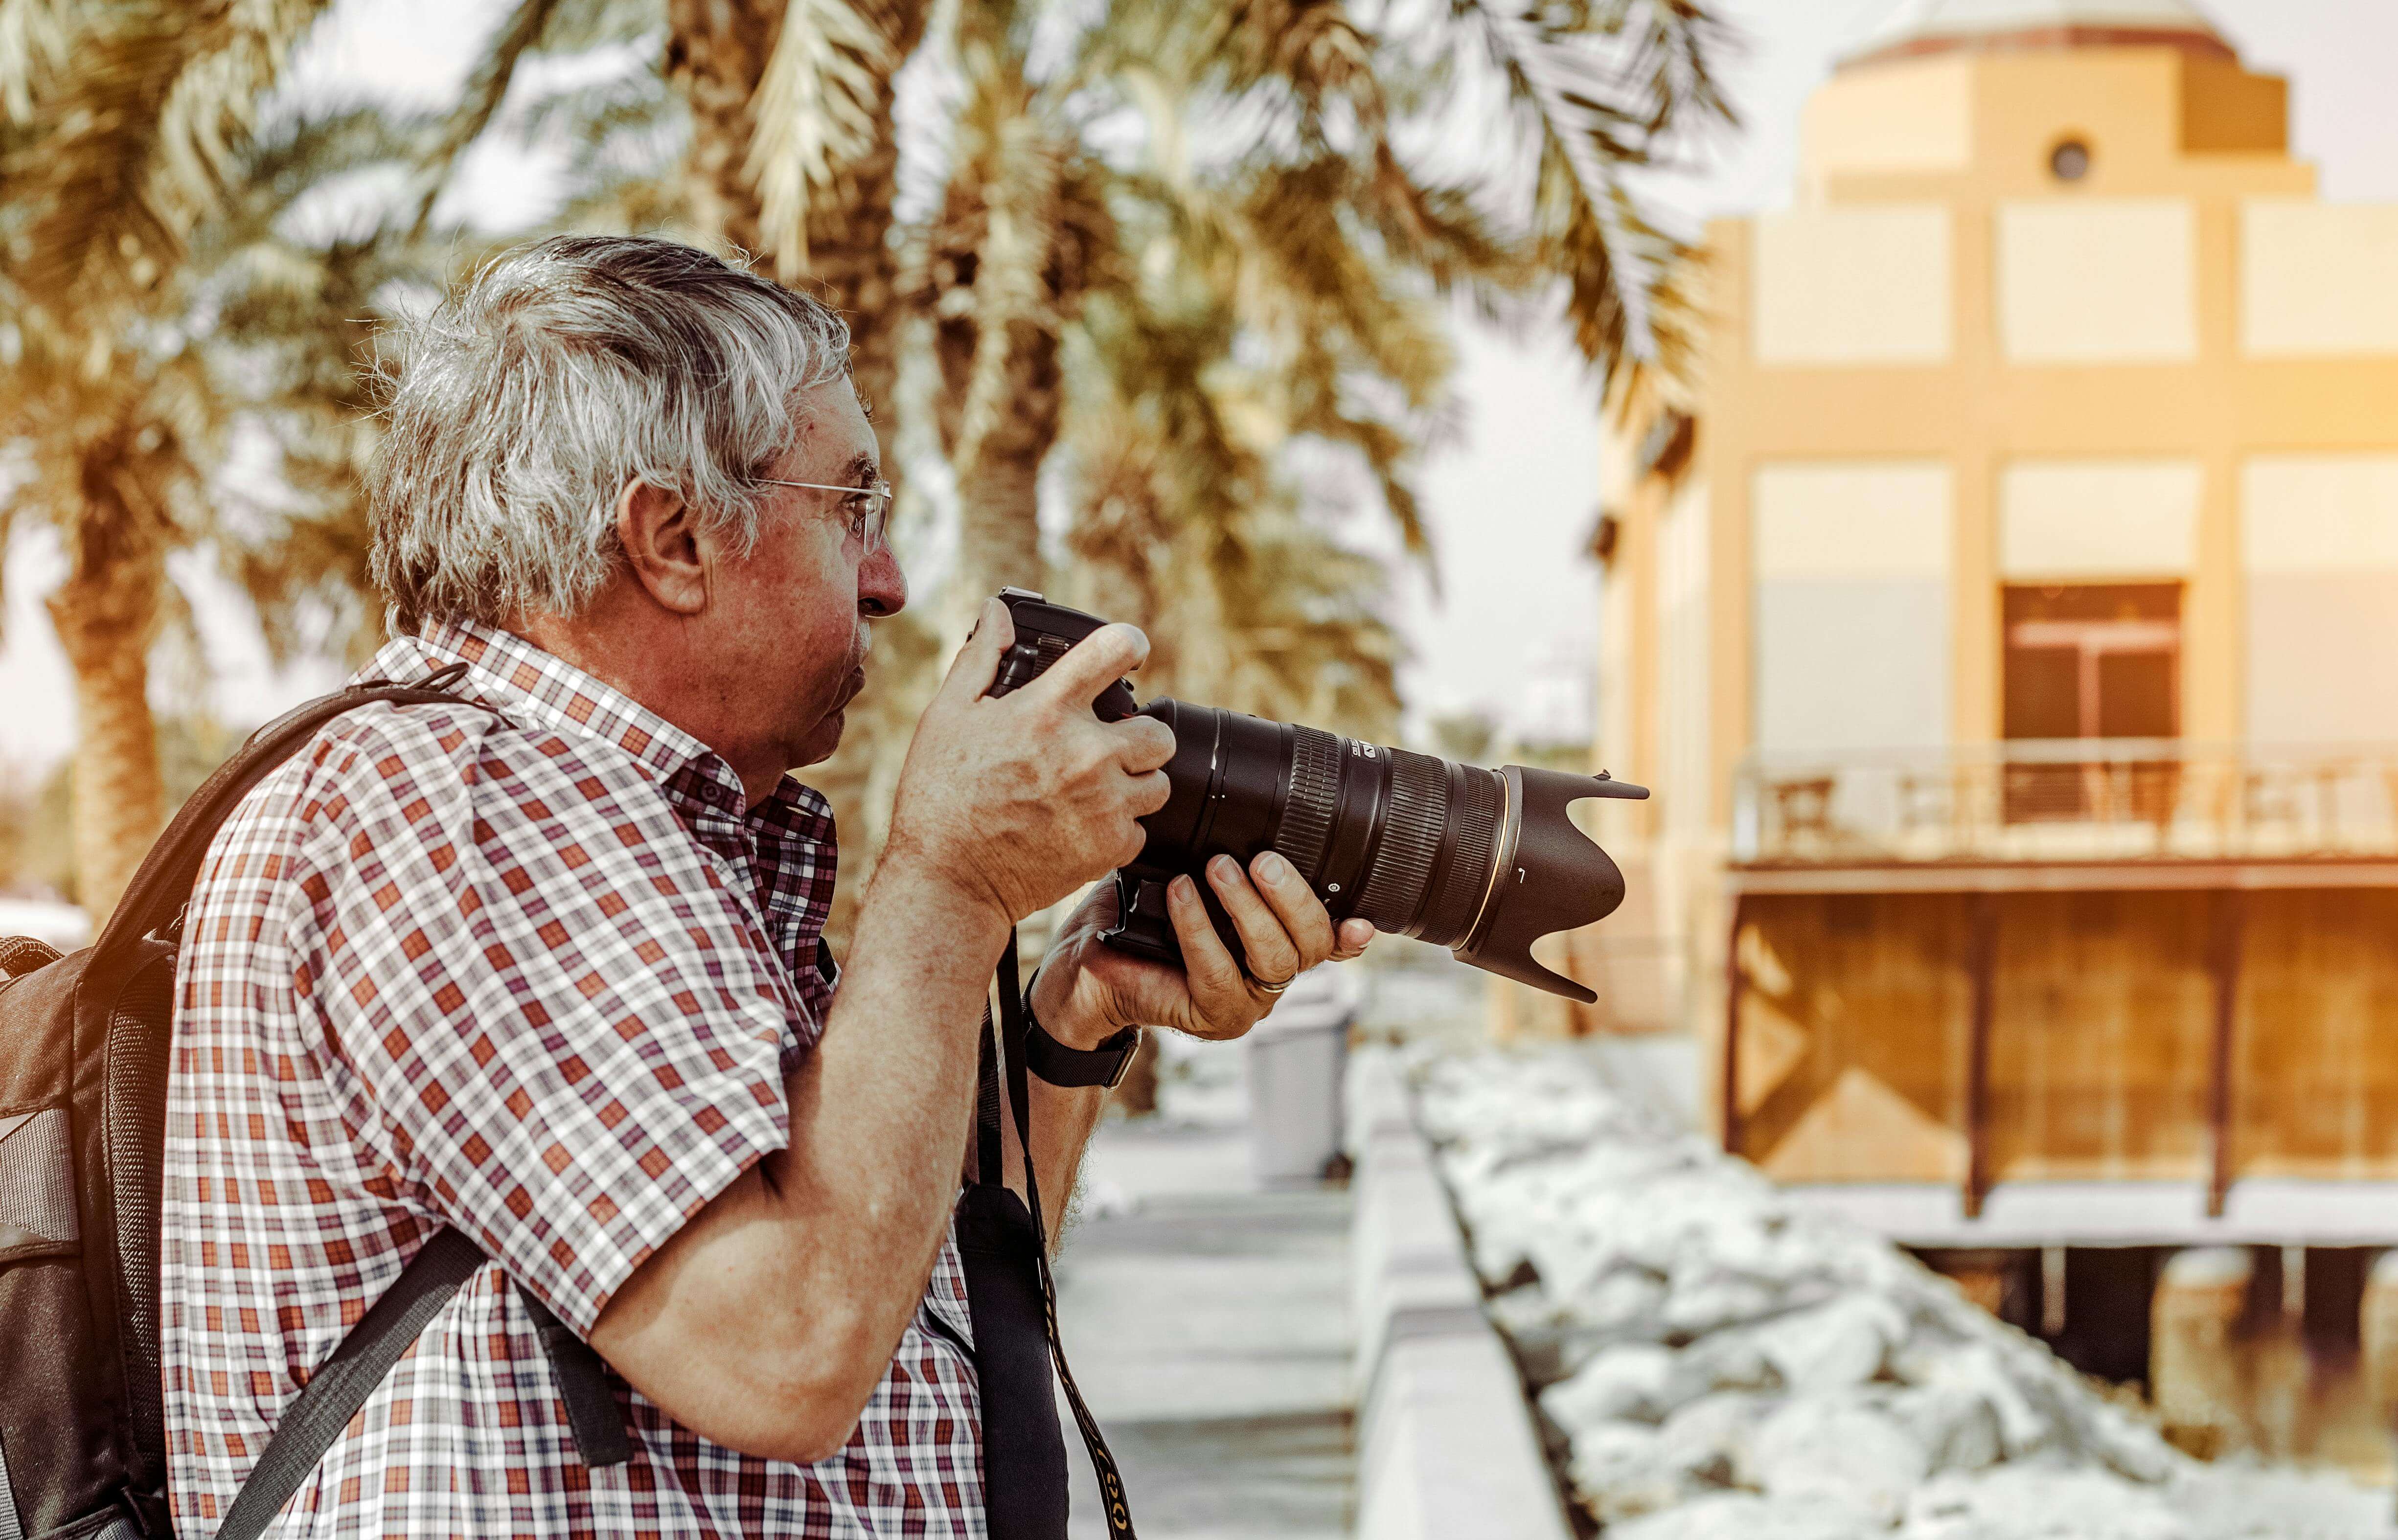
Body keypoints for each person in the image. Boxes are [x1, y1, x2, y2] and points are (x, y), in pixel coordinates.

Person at [159, 233, 1373, 1537]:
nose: (891, 582)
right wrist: (952, 878)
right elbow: (786, 1349)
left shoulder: (644, 828)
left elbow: (904, 1297)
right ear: (673, 537)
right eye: (850, 507)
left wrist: (1070, 1021)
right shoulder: (458, 803)